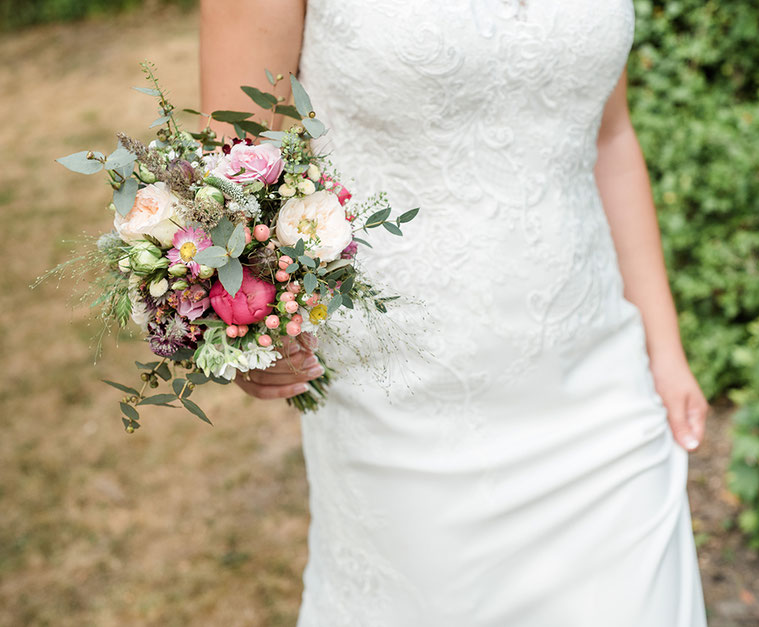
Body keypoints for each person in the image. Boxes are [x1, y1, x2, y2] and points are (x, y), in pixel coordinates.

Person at [200, 1, 710, 625]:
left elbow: (610, 137)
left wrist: (665, 349)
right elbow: (235, 168)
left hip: (604, 382)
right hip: (406, 408)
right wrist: (253, 329)